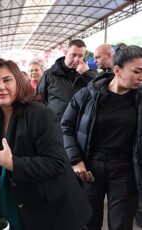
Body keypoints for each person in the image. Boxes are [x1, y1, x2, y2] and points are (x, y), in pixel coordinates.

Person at [0, 58, 92, 230]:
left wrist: (12, 163)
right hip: (16, 203)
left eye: (7, 80)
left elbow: (57, 164)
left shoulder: (40, 114)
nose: (1, 87)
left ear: (18, 83)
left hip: (49, 212)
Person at [61, 45, 142, 230]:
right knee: (88, 222)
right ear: (117, 70)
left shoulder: (139, 99)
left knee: (121, 224)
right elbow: (66, 126)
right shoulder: (88, 95)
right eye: (137, 72)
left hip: (125, 169)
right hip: (91, 167)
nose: (141, 77)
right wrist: (76, 160)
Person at [37, 39, 95, 121]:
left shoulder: (87, 74)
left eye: (80, 56)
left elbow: (99, 91)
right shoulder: (49, 74)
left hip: (78, 126)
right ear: (66, 53)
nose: (76, 59)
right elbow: (40, 99)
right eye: (73, 55)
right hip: (55, 124)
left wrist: (86, 74)